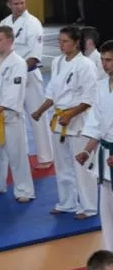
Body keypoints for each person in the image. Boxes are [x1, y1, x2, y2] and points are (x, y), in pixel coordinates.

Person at [32, 26, 98, 218]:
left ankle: (89, 207)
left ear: (76, 43)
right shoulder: (58, 62)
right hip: (59, 119)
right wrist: (40, 110)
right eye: (59, 41)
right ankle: (67, 202)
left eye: (65, 41)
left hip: (79, 120)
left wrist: (70, 115)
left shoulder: (85, 65)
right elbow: (52, 92)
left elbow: (89, 98)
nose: (61, 45)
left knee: (82, 165)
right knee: (63, 166)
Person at [0, 0, 53, 169]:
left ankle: (46, 157)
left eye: (22, 3)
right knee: (13, 117)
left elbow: (35, 55)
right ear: (9, 5)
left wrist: (17, 70)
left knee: (37, 116)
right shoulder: (4, 23)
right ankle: (19, 157)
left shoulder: (33, 23)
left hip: (29, 75)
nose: (20, 7)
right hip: (8, 78)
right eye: (16, 4)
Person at [0, 26, 35, 202]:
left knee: (16, 155)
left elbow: (15, 89)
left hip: (9, 116)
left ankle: (24, 190)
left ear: (10, 41)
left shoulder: (18, 63)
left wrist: (2, 107)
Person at [76, 41, 113, 250]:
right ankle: (110, 253)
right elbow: (97, 124)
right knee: (106, 211)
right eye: (103, 60)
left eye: (109, 60)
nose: (104, 64)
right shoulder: (101, 87)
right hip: (105, 155)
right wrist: (86, 150)